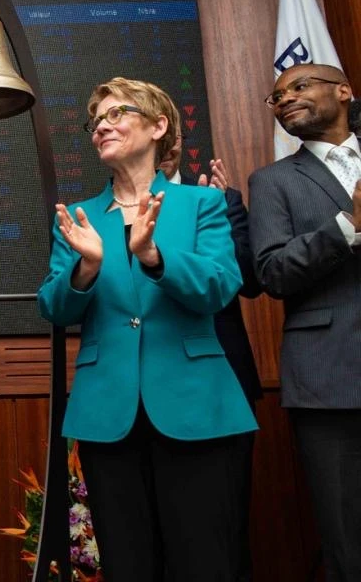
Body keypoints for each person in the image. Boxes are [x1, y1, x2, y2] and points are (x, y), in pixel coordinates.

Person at [38, 77, 256, 581]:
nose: (101, 127)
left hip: (197, 407)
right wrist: (86, 268)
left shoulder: (202, 204)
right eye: (96, 121)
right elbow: (53, 306)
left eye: (117, 114)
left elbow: (221, 286)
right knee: (128, 564)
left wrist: (155, 257)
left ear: (159, 126)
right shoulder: (77, 218)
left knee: (205, 562)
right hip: (106, 414)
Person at [248, 63, 361, 581]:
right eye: (276, 97)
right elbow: (271, 271)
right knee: (347, 535)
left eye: (299, 86)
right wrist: (347, 228)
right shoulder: (272, 181)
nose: (285, 99)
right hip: (330, 380)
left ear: (343, 91)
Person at [159, 133, 262, 582]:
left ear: (174, 138)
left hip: (223, 375)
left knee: (226, 519)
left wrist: (218, 210)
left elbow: (251, 280)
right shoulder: (102, 207)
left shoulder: (218, 196)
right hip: (148, 383)